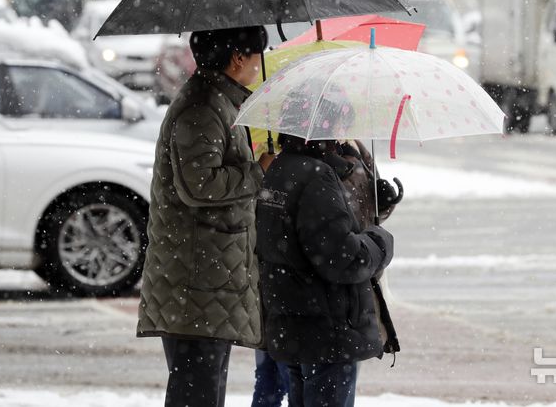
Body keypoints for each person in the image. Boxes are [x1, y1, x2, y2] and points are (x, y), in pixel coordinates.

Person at [137, 26, 276, 407]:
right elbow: (200, 185)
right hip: (197, 277)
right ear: (237, 58)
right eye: (255, 57)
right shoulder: (203, 108)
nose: (257, 67)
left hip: (208, 273)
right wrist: (258, 170)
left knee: (204, 384)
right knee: (197, 388)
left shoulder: (218, 102)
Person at [256, 126, 395, 407]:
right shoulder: (315, 177)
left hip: (292, 322)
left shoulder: (280, 168)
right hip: (326, 329)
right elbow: (343, 259)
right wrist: (380, 242)